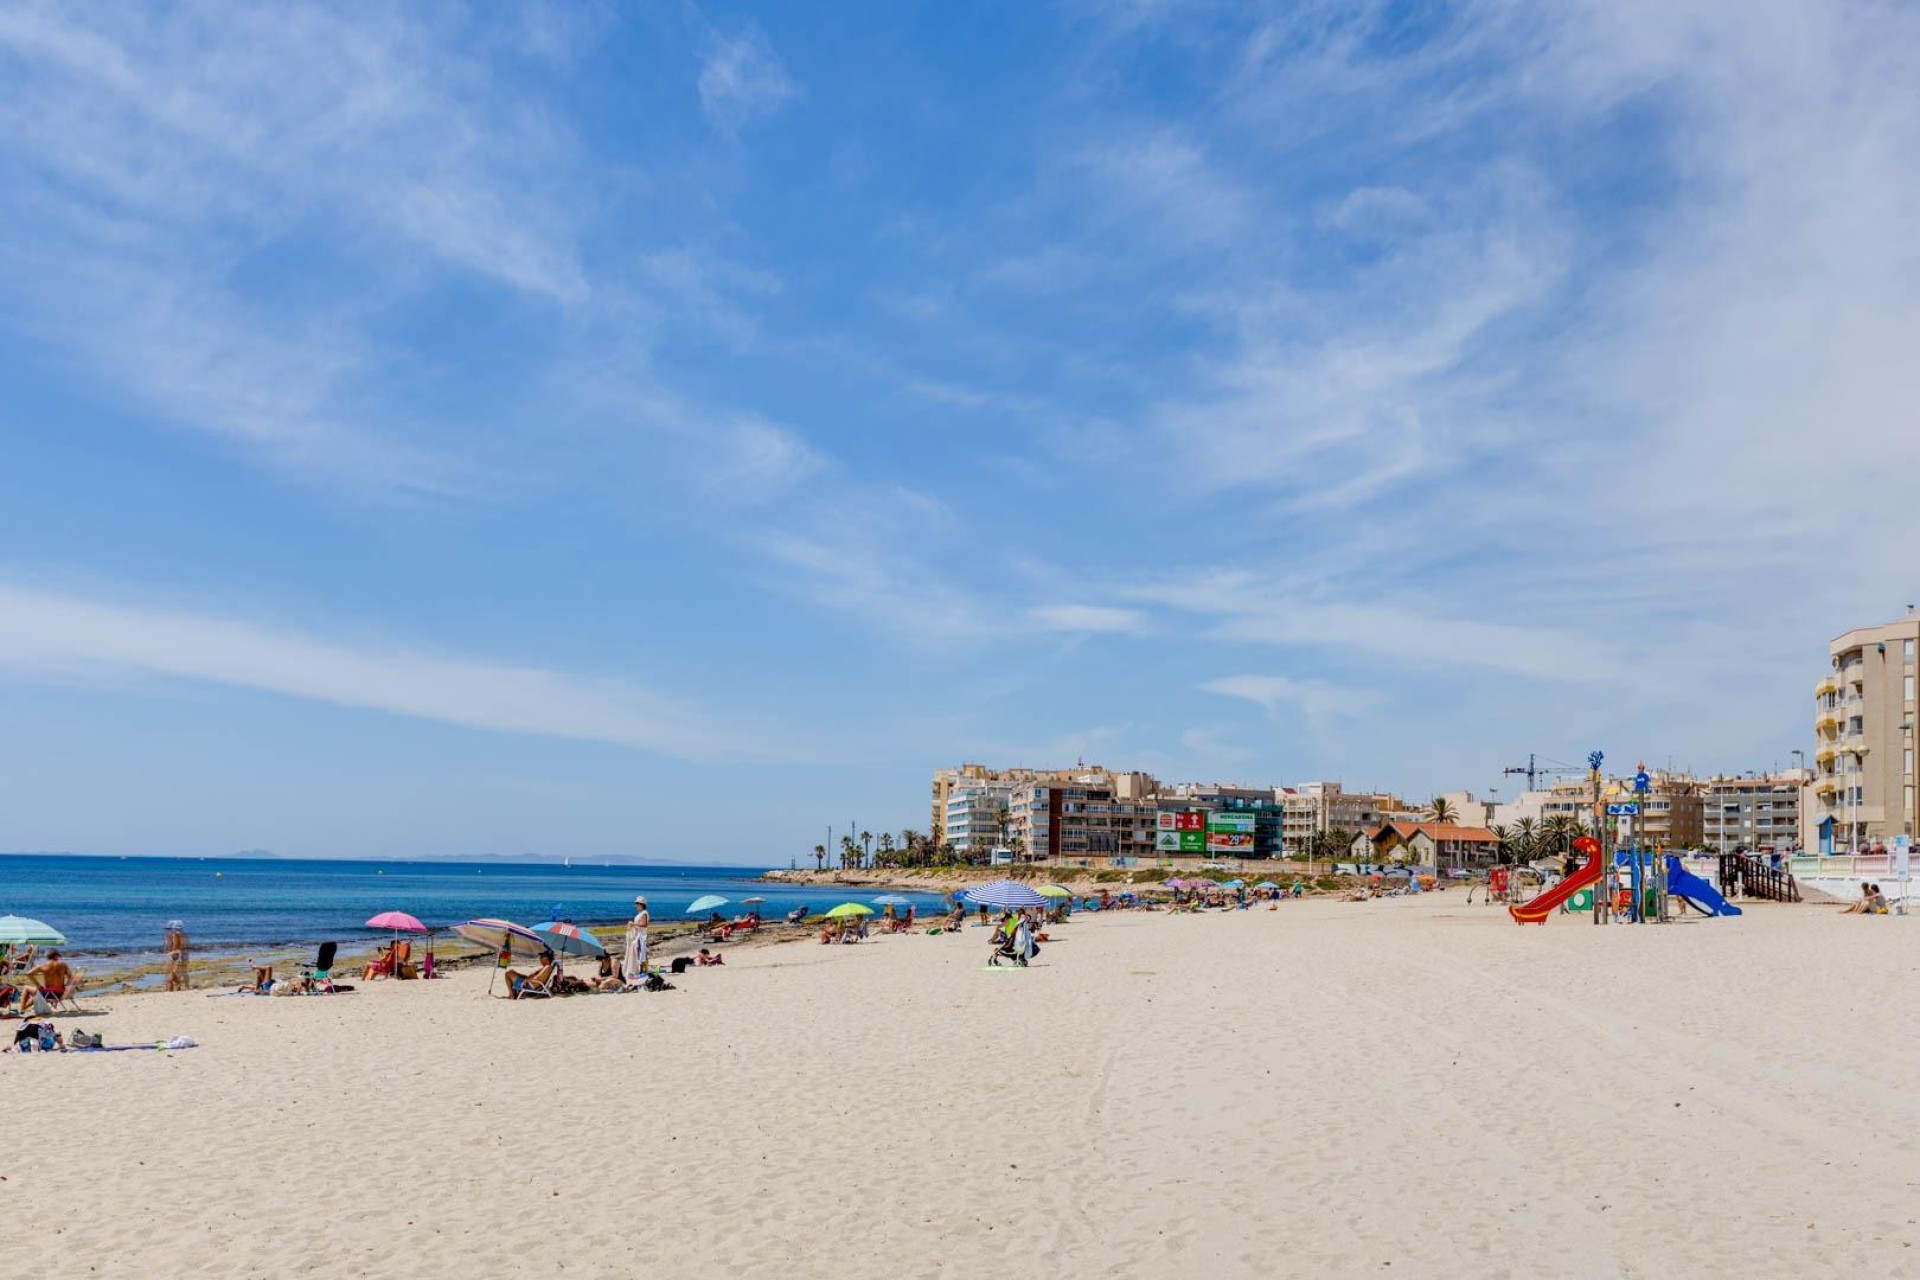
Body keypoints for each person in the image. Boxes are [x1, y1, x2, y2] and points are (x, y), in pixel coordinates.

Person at [624, 897, 651, 981]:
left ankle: (643, 970)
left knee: (641, 952)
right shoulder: (641, 913)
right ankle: (642, 969)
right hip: (639, 935)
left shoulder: (644, 913)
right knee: (640, 952)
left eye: (637, 904)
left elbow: (644, 924)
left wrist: (633, 923)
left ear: (641, 905)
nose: (636, 905)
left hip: (641, 936)